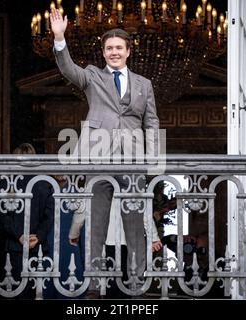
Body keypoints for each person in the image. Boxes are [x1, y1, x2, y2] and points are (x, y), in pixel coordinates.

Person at [50, 9, 162, 297]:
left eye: (118, 48)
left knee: (135, 225)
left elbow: (151, 121)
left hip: (133, 161)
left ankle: (136, 285)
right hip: (98, 156)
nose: (114, 52)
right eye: (109, 48)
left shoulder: (143, 84)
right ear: (104, 52)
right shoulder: (92, 76)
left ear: (128, 51)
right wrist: (60, 38)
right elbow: (68, 70)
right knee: (96, 223)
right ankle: (96, 285)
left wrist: (155, 160)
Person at [0, 143, 55, 299]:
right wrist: (39, 237)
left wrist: (19, 236)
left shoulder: (7, 182)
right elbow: (49, 217)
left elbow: (3, 217)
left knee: (15, 291)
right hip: (38, 247)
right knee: (37, 291)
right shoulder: (45, 183)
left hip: (15, 246)